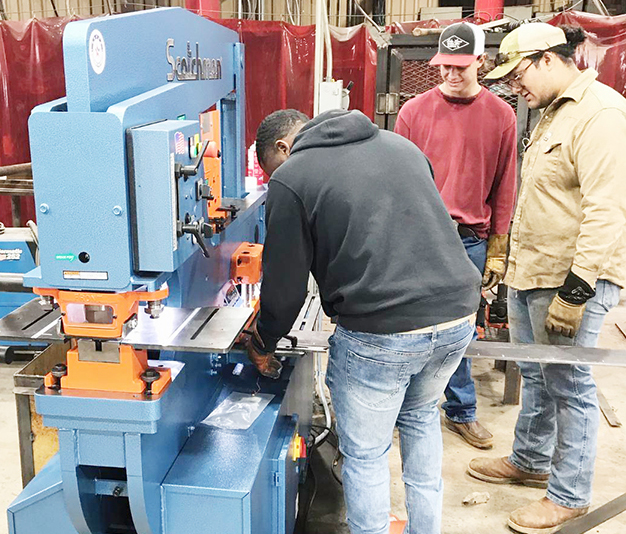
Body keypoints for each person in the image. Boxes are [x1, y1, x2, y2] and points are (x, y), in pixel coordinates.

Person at [246, 108, 481, 534]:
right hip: (457, 314)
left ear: (283, 147)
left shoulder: (293, 175)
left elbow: (286, 290)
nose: (276, 177)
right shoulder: (402, 146)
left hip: (382, 331)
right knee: (420, 417)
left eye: (273, 168)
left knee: (367, 455)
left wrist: (263, 340)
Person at [467, 23, 626, 534]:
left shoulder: (600, 114)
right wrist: (504, 257)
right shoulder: (552, 113)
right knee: (535, 374)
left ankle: (569, 494)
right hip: (532, 271)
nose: (516, 87)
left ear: (548, 59)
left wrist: (576, 292)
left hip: (570, 279)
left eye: (519, 75)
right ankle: (530, 461)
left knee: (569, 384)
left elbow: (608, 209)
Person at [394, 22, 518, 450]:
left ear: (481, 62)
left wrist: (499, 247)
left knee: (460, 329)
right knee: (408, 322)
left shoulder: (502, 117)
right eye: (444, 64)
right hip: (419, 235)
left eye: (460, 66)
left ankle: (461, 410)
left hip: (470, 238)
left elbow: (505, 186)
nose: (450, 73)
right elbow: (396, 183)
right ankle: (406, 405)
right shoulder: (413, 113)